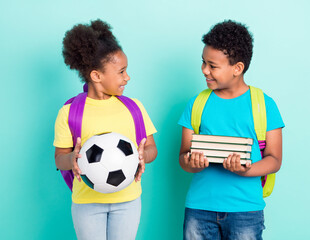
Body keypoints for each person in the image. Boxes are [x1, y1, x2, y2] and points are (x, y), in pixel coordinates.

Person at [178, 20, 285, 240]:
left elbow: (274, 160)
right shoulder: (197, 104)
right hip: (199, 208)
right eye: (203, 62)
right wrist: (192, 163)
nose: (204, 70)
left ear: (237, 68)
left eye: (212, 66)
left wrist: (246, 169)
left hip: (246, 210)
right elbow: (183, 156)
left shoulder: (264, 105)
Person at [54, 19, 157, 240]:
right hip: (86, 202)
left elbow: (151, 149)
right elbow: (59, 159)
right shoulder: (70, 112)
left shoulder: (134, 108)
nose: (127, 77)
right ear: (96, 76)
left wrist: (143, 155)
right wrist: (72, 157)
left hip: (128, 200)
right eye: (121, 72)